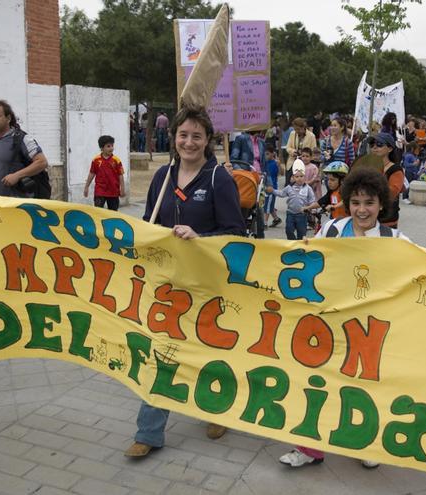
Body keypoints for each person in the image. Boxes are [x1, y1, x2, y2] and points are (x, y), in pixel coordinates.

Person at [278, 166, 426, 469]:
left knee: (364, 389)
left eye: (369, 203)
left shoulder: (394, 239)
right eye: (355, 202)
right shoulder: (331, 230)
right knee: (317, 383)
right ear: (347, 202)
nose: (362, 210)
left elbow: (425, 266)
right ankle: (309, 448)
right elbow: (307, 258)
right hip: (329, 324)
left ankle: (366, 445)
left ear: (381, 204)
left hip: (370, 330)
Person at [127, 104, 245, 458]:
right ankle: (149, 432)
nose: (189, 142)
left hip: (208, 284)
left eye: (197, 135)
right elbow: (149, 223)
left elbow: (236, 234)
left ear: (208, 140)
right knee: (162, 349)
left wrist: (200, 237)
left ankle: (216, 410)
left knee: (210, 350)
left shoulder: (218, 179)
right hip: (168, 282)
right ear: (173, 137)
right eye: (183, 135)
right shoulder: (163, 177)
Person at [0, 99, 49, 198]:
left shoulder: (22, 139)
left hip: (19, 202)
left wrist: (17, 175)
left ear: (8, 118)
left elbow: (42, 162)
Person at [267, 160, 315, 240]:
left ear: (305, 176)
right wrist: (273, 191)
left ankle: (299, 245)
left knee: (301, 234)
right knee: (289, 230)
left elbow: (312, 200)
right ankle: (292, 242)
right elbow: (282, 193)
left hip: (302, 215)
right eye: (297, 177)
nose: (299, 179)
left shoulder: (308, 188)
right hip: (291, 214)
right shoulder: (289, 188)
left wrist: (312, 209)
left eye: (301, 176)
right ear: (293, 177)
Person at [370, 132, 405, 227]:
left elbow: (391, 193)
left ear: (390, 149)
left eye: (379, 144)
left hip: (386, 220)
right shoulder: (369, 167)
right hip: (368, 217)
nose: (375, 147)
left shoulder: (396, 169)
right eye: (372, 144)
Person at [84, 135, 125, 210]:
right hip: (100, 191)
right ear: (102, 148)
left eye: (112, 146)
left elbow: (120, 175)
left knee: (113, 213)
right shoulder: (96, 160)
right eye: (108, 146)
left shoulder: (116, 161)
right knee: (98, 211)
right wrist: (86, 187)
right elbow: (92, 173)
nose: (111, 148)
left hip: (113, 192)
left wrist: (122, 189)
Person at [284, 117, 318, 185]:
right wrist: (293, 151)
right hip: (292, 162)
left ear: (303, 127)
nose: (296, 131)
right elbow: (288, 147)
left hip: (305, 165)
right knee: (289, 184)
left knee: (302, 185)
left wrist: (304, 154)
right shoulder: (292, 134)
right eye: (295, 129)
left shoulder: (311, 136)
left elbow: (313, 151)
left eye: (298, 129)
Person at [263, 145, 282, 227]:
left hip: (271, 188)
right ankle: (276, 219)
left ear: (272, 154)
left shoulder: (275, 163)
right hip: (264, 187)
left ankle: (264, 222)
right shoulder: (264, 163)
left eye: (267, 154)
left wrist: (279, 165)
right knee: (270, 206)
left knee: (267, 205)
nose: (265, 156)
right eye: (264, 154)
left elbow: (281, 173)